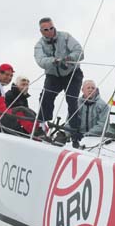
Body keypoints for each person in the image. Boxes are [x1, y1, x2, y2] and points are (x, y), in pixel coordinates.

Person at [34, 17, 84, 146]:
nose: (50, 31)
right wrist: (53, 61)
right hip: (53, 75)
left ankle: (75, 134)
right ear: (41, 31)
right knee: (45, 97)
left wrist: (68, 58)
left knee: (72, 100)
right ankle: (41, 128)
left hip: (71, 73)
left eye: (51, 28)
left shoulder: (66, 36)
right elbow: (40, 61)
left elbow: (79, 51)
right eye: (46, 29)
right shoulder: (39, 45)